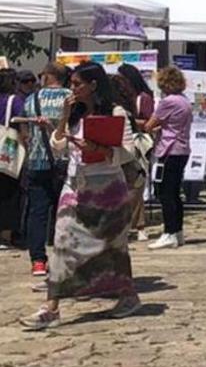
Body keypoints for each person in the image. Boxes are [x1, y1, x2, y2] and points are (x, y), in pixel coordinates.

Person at [19, 62, 143, 329]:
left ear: (93, 85)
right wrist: (64, 117)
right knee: (62, 241)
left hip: (107, 189)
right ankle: (51, 306)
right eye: (71, 84)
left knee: (112, 249)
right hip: (74, 186)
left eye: (77, 84)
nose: (71, 89)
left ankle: (127, 295)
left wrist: (99, 147)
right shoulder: (73, 113)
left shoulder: (114, 112)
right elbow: (58, 147)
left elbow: (128, 152)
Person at [22, 63, 73, 277]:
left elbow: (25, 132)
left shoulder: (31, 100)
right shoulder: (71, 97)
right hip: (65, 160)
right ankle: (66, 258)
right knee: (66, 212)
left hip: (37, 160)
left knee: (38, 213)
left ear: (48, 76)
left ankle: (38, 261)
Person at [143, 66, 194, 250]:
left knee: (164, 192)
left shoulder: (168, 101)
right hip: (182, 150)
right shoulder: (185, 100)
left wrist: (146, 125)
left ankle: (169, 232)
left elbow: (150, 124)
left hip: (168, 150)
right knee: (174, 192)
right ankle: (178, 232)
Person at [118, 63, 154, 242]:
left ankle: (139, 224)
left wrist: (130, 121)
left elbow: (149, 121)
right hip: (123, 142)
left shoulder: (143, 98)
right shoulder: (120, 99)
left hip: (138, 143)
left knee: (137, 185)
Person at [0, 69, 26, 251]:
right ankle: (6, 235)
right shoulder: (14, 101)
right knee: (9, 193)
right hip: (6, 151)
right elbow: (22, 123)